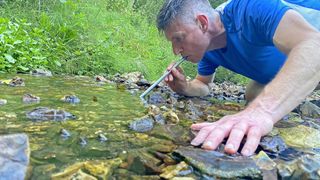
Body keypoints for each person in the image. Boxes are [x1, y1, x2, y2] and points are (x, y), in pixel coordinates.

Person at [156, 0, 320, 156]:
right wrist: (185, 87)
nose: (176, 51)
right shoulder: (207, 49)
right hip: (284, 72)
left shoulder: (251, 8)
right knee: (251, 94)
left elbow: (313, 46)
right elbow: (203, 84)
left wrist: (261, 111)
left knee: (257, 104)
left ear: (202, 23)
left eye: (178, 39)